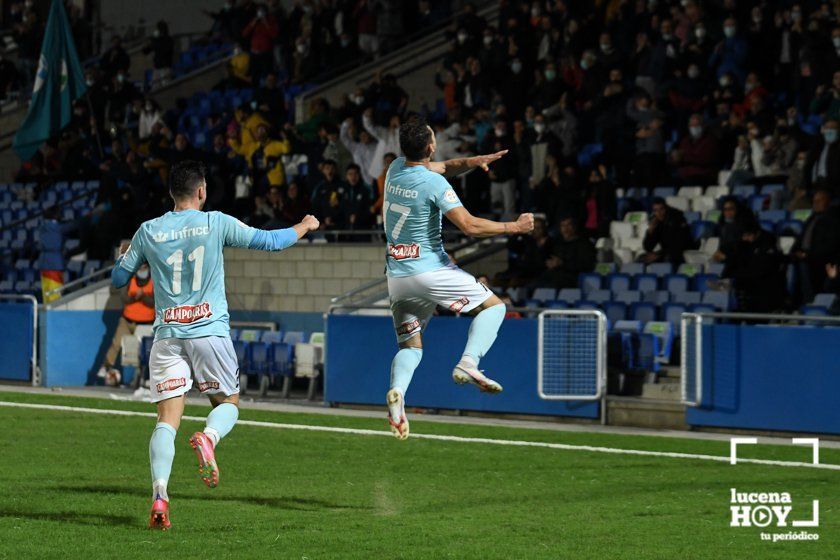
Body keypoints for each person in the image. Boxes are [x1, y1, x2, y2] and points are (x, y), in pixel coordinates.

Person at [111, 160, 319, 530]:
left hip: (168, 336)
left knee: (166, 421)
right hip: (208, 332)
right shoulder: (215, 222)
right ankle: (208, 437)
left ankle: (160, 493)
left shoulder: (148, 231)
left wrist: (123, 259)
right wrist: (304, 225)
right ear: (202, 191)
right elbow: (271, 241)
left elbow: (118, 279)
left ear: (171, 193)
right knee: (229, 404)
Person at [383, 119, 534, 440]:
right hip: (429, 270)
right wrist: (514, 227)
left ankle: (397, 394)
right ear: (430, 146)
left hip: (397, 277)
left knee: (411, 346)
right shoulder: (434, 185)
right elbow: (469, 226)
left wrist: (473, 162)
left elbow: (443, 167)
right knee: (494, 308)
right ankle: (468, 362)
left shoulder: (396, 168)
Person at [98, 263, 155, 380]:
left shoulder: (154, 282)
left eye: (144, 268)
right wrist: (135, 297)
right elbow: (124, 299)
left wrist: (143, 296)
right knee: (116, 343)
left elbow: (154, 302)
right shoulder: (130, 281)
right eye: (139, 268)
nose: (142, 271)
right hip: (127, 321)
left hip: (146, 324)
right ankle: (106, 366)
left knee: (144, 351)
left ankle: (143, 378)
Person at [791, 190, 840, 302]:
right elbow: (801, 238)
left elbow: (831, 245)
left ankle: (810, 303)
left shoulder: (834, 220)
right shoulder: (811, 218)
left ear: (827, 202)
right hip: (804, 256)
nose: (815, 204)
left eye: (819, 201)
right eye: (814, 201)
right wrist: (795, 251)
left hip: (820, 260)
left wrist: (808, 255)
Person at [641, 198, 696, 266]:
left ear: (666, 208)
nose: (659, 213)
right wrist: (650, 230)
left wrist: (659, 255)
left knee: (668, 258)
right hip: (667, 252)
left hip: (683, 251)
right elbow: (648, 247)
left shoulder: (677, 219)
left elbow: (678, 244)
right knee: (641, 259)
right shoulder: (657, 223)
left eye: (661, 209)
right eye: (655, 210)